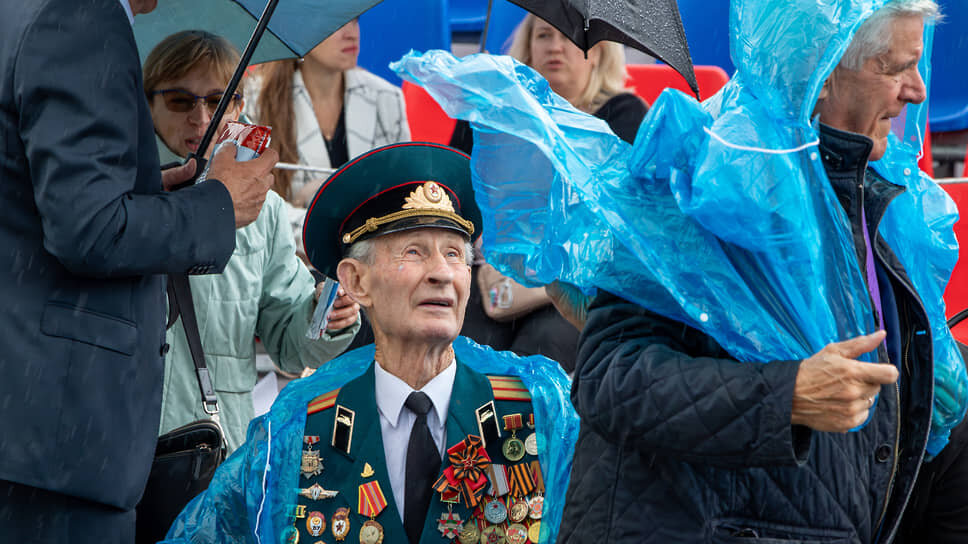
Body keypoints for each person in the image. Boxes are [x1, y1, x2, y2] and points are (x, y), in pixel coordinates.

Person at [558, 1, 949, 543]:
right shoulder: (709, 184)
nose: (917, 91)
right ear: (823, 68)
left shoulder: (873, 198)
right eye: (894, 68)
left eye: (916, 65)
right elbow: (610, 379)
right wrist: (786, 397)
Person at [163, 143, 577, 544]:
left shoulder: (533, 409)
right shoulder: (298, 429)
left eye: (454, 254)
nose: (442, 274)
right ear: (356, 281)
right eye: (415, 252)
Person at [0, 0, 278, 540]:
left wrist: (153, 196)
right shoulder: (80, 14)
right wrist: (218, 204)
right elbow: (90, 230)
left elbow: (48, 203)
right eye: (180, 100)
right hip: (61, 445)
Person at [143, 30, 361, 453]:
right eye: (181, 101)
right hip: (117, 436)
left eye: (221, 101)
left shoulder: (266, 211)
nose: (202, 118)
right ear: (147, 103)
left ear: (241, 106)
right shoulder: (119, 193)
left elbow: (291, 345)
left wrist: (325, 317)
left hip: (215, 445)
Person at [452, 14, 648, 372]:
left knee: (541, 353)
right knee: (466, 349)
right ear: (528, 48)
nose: (556, 47)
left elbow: (621, 218)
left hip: (578, 284)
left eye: (571, 37)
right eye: (544, 35)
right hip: (490, 274)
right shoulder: (490, 112)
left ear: (598, 53)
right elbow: (455, 198)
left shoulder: (623, 115)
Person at [247, 18, 410, 209]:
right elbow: (251, 208)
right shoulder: (253, 101)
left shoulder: (387, 98)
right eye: (338, 22)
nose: (351, 34)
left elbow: (404, 194)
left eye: (354, 20)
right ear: (301, 31)